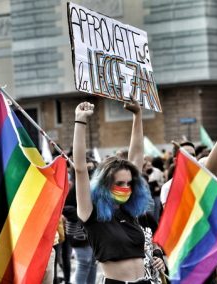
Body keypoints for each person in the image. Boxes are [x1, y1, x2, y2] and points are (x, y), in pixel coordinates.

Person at [73, 100, 152, 284]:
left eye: (129, 183)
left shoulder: (129, 211)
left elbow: (136, 155)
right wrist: (80, 121)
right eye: (119, 183)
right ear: (105, 184)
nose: (125, 188)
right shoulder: (91, 213)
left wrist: (137, 115)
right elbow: (80, 169)